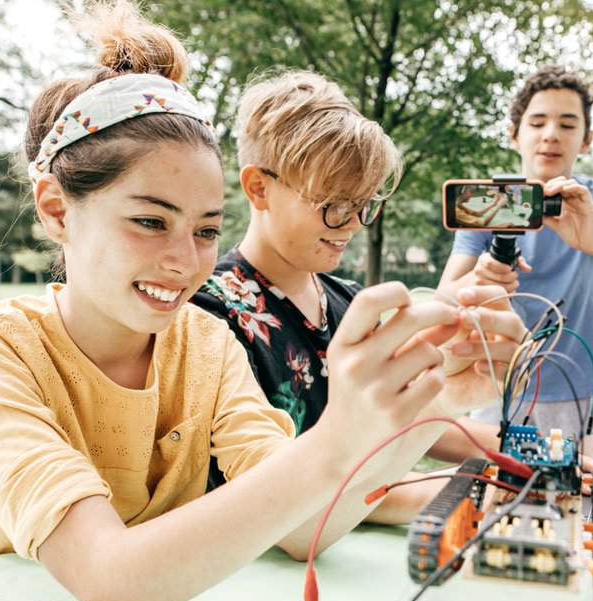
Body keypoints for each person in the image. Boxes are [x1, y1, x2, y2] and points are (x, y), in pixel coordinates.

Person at [0, 1, 523, 601]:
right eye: (151, 221)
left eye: (207, 230)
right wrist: (341, 437)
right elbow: (110, 582)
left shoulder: (206, 342)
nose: (185, 263)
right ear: (56, 210)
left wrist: (428, 404)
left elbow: (303, 527)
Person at [191, 70, 506, 470]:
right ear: (259, 188)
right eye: (335, 204)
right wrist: (482, 489)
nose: (354, 223)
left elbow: (407, 423)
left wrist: (550, 459)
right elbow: (288, 490)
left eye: (363, 204)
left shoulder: (349, 300)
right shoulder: (211, 317)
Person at [439, 65, 593, 437]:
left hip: (575, 387)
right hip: (496, 382)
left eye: (567, 124)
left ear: (586, 139)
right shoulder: (486, 201)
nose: (551, 135)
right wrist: (479, 278)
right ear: (514, 135)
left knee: (582, 489)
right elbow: (443, 295)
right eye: (538, 122)